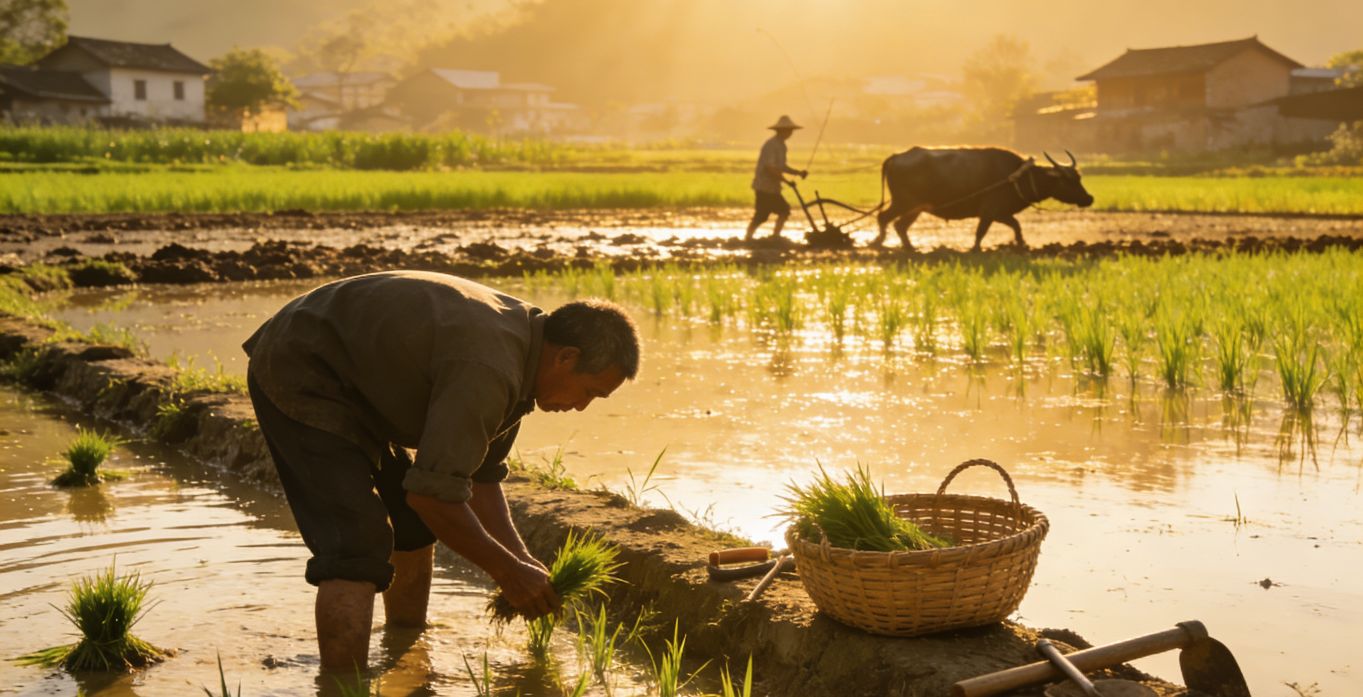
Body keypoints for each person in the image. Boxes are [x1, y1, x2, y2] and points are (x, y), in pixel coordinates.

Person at [241, 270, 641, 673]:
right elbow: (432, 496)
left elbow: (479, 477)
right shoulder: (489, 368)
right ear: (566, 357)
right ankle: (343, 685)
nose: (581, 407)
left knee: (414, 526)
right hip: (302, 366)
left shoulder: (522, 362)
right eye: (589, 391)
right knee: (356, 545)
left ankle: (405, 647)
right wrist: (507, 572)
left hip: (362, 385)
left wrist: (521, 561)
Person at [744, 114, 809, 241]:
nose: (790, 133)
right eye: (788, 130)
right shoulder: (771, 145)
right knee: (763, 214)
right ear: (781, 131)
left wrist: (798, 173)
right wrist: (786, 181)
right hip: (764, 186)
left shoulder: (781, 145)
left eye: (791, 131)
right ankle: (750, 237)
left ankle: (775, 236)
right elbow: (770, 168)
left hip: (773, 187)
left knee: (783, 210)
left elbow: (782, 166)